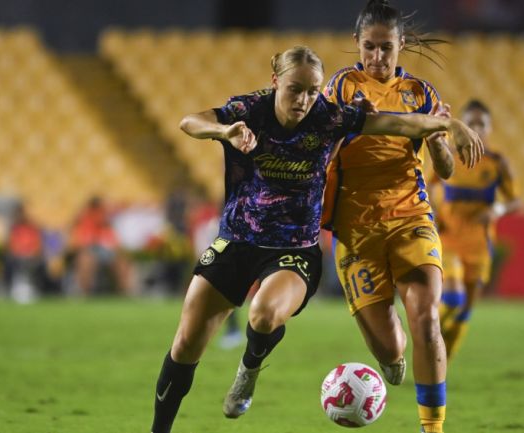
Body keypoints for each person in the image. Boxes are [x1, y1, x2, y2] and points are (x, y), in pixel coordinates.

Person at [149, 45, 482, 433]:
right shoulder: (248, 111)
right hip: (236, 241)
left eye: (313, 90)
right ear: (275, 81)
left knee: (264, 311)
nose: (304, 100)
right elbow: (189, 121)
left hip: (295, 251)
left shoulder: (329, 118)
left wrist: (448, 125)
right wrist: (225, 131)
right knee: (185, 345)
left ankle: (249, 370)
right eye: (295, 89)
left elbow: (401, 124)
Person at [321, 2, 484, 432]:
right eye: (370, 47)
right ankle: (390, 359)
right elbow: (333, 138)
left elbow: (446, 171)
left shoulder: (420, 93)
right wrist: (430, 124)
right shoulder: (340, 87)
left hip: (410, 214)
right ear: (357, 44)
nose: (377, 58)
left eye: (386, 48)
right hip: (356, 231)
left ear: (401, 45)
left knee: (427, 318)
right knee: (391, 349)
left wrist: (437, 140)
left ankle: (433, 427)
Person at [429, 99, 520, 359]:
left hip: (479, 245)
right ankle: (426, 333)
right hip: (447, 241)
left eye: (482, 123)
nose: (477, 128)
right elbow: (427, 185)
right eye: (471, 123)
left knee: (464, 312)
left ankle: (440, 362)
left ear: (489, 128)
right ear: (463, 126)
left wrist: (497, 210)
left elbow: (515, 200)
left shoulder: (497, 163)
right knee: (453, 299)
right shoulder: (447, 157)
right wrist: (434, 212)